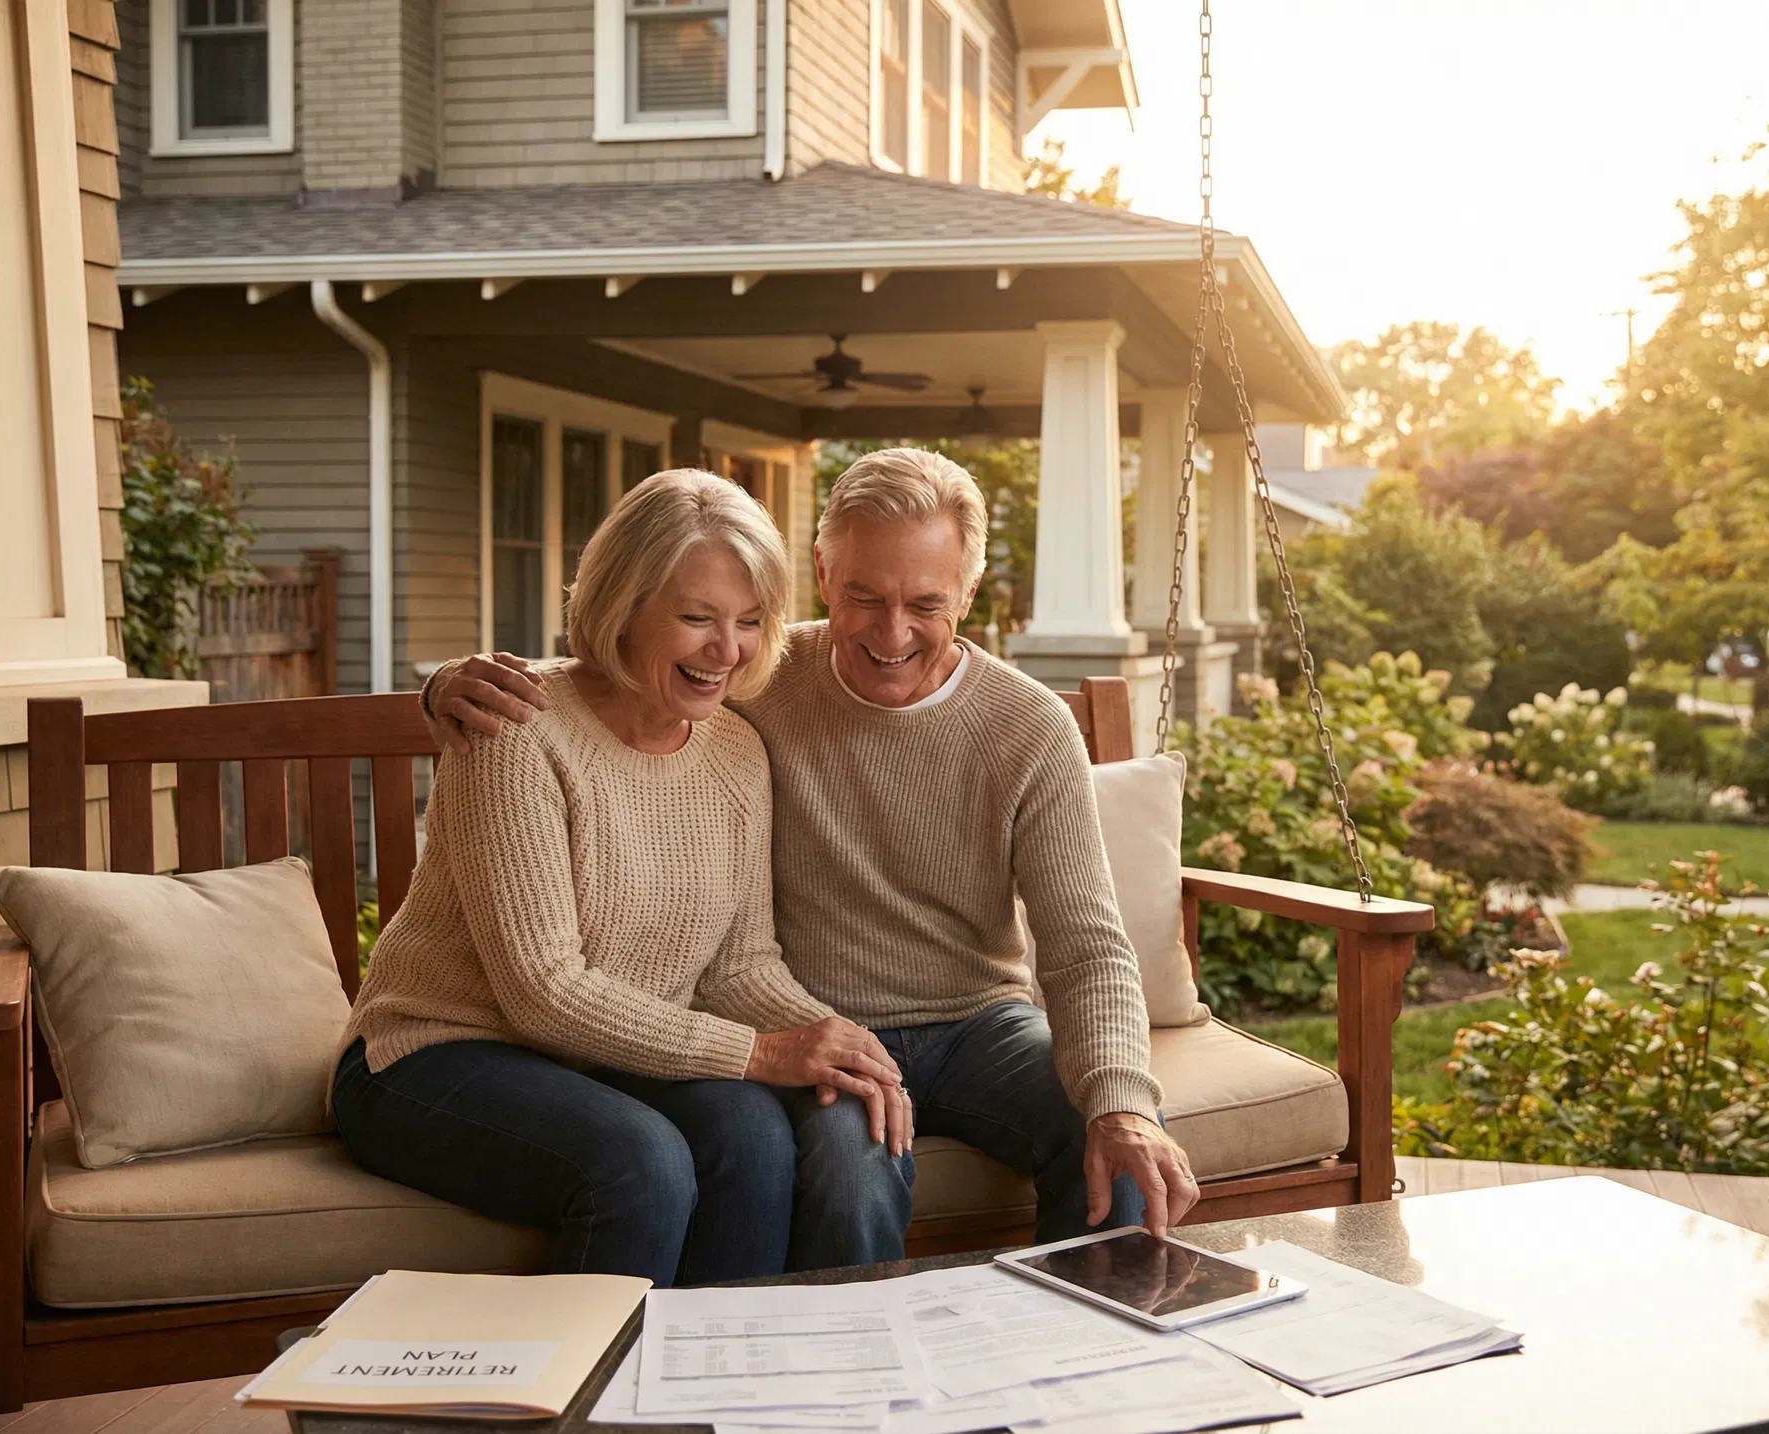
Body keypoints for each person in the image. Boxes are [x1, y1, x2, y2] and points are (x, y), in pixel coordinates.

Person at [425, 448, 1198, 1271]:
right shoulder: (757, 674)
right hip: (812, 1016)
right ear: (824, 573)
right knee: (841, 1169)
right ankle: (838, 1378)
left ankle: (1082, 1370)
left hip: (978, 1022)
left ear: (967, 594)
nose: (893, 632)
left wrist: (1124, 1105)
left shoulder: (1029, 724)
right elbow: (614, 683)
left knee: (1108, 1139)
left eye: (926, 603)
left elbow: (1086, 946)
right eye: (865, 595)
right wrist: (441, 689)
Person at [332, 468, 909, 1289]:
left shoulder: (737, 755)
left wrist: (844, 1047)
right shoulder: (515, 730)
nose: (727, 649)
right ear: (623, 605)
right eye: (696, 618)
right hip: (433, 1056)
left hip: (599, 1062)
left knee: (751, 1133)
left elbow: (737, 966)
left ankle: (718, 1395)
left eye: (749, 621)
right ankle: (593, 1413)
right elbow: (543, 989)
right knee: (643, 1163)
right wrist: (761, 1053)